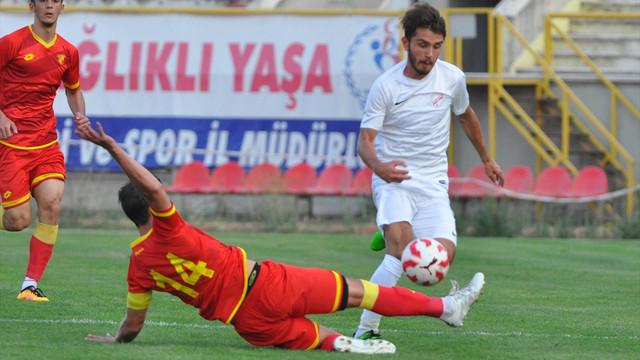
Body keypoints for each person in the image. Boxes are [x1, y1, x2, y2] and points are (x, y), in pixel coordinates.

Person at [77, 120, 485, 354]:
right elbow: (156, 190)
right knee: (360, 292)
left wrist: (114, 339)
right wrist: (112, 146)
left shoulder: (137, 270)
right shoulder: (168, 226)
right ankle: (446, 307)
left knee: (322, 338)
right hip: (268, 285)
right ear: (149, 208)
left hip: (247, 324)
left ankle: (348, 344)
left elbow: (133, 324)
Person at [353, 2, 504, 340]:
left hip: (434, 182)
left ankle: (449, 304)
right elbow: (365, 141)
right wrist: (380, 167)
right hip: (396, 179)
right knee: (399, 254)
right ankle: (366, 331)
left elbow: (465, 115)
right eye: (423, 45)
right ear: (406, 43)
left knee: (435, 263)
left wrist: (487, 159)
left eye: (437, 46)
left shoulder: (452, 78)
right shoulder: (386, 85)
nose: (430, 54)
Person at [0, 0, 90, 301]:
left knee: (51, 204)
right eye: (43, 1)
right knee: (18, 221)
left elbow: (74, 90)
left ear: (62, 7)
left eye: (55, 1)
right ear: (31, 6)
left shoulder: (68, 51)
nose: (49, 5)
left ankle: (29, 286)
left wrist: (80, 116)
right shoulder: (11, 43)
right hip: (11, 143)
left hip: (46, 143)